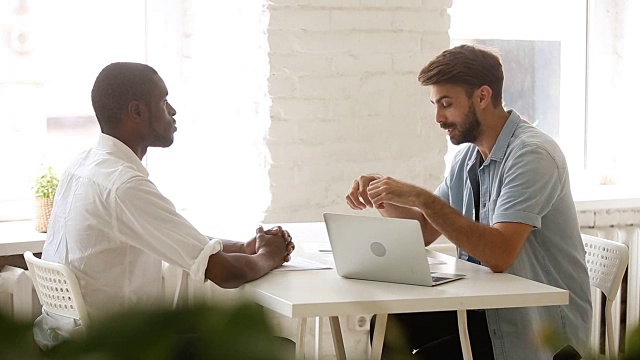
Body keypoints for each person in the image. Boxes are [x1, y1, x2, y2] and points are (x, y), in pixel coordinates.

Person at [346, 45, 591, 360]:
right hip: (486, 308)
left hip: (534, 325)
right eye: (435, 105)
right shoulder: (467, 158)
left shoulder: (532, 155)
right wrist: (383, 196)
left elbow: (499, 254)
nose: (438, 117)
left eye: (446, 104)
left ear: (482, 96)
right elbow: (423, 230)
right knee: (389, 326)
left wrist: (419, 197)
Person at [33, 62, 295, 350]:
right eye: (163, 101)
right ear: (137, 112)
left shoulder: (83, 166)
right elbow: (226, 274)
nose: (172, 111)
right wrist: (270, 255)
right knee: (273, 347)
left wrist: (244, 248)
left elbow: (176, 239)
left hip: (61, 339)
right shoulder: (124, 186)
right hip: (115, 348)